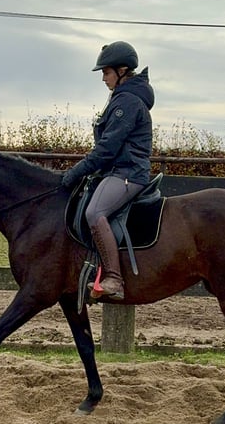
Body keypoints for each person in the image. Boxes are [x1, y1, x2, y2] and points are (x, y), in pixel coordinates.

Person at [61, 41, 155, 300]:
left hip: (127, 173)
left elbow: (106, 149)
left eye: (106, 72)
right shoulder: (122, 98)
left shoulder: (128, 102)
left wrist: (73, 173)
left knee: (95, 211)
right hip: (117, 171)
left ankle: (114, 278)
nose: (103, 78)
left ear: (122, 70)